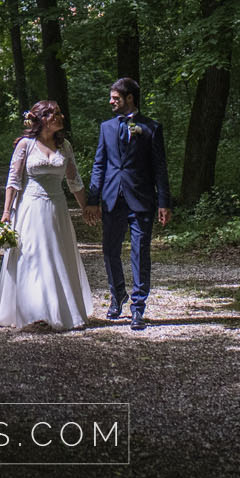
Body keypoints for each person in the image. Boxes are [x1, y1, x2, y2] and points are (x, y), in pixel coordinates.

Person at [0, 100, 96, 331]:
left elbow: (74, 181)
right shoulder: (26, 145)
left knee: (57, 256)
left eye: (59, 113)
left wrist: (85, 207)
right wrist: (6, 212)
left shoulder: (64, 146)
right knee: (33, 257)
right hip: (30, 208)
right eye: (54, 113)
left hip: (57, 209)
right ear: (42, 118)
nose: (60, 117)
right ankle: (34, 312)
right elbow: (13, 182)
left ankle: (59, 310)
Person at [82, 77, 171, 330]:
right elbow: (99, 164)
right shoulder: (106, 127)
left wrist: (165, 202)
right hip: (112, 199)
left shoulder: (151, 128)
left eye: (115, 98)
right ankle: (118, 294)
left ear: (129, 98)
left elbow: (160, 168)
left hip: (141, 200)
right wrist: (93, 200)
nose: (111, 101)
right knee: (110, 251)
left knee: (140, 253)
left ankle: (138, 307)